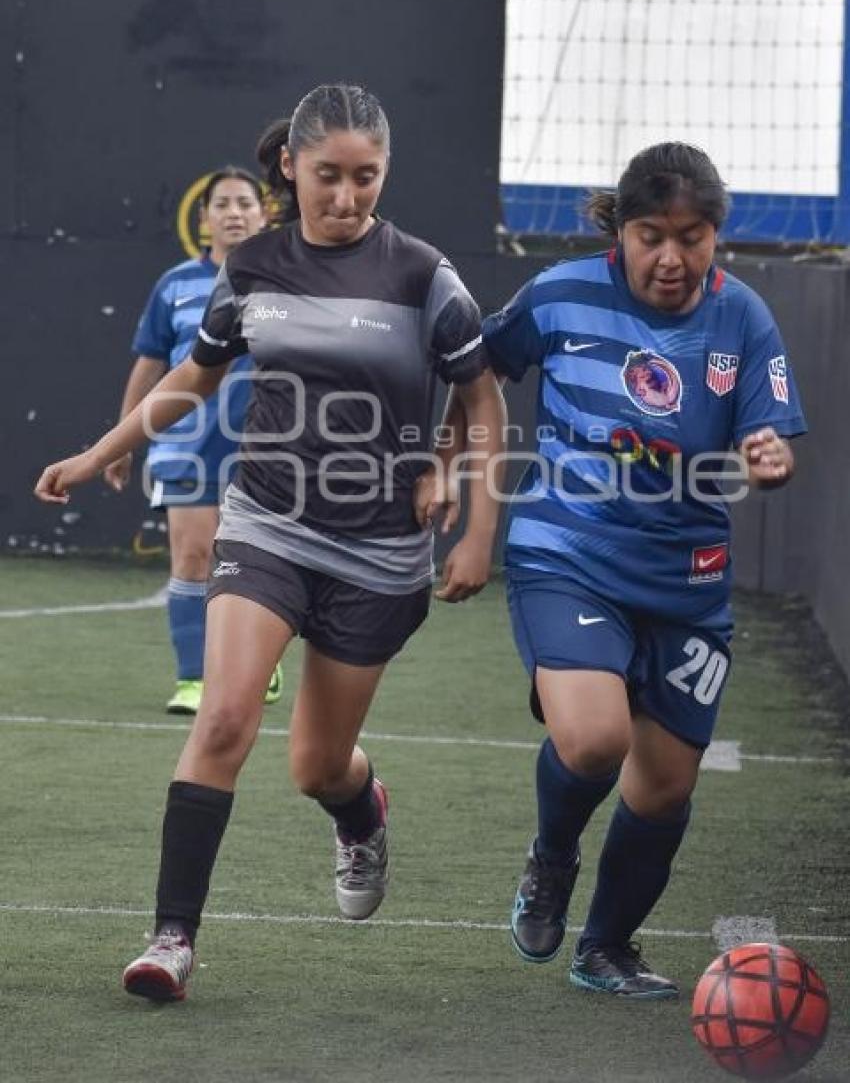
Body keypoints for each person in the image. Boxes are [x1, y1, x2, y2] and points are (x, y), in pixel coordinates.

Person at [35, 83, 505, 1002]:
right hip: (267, 521)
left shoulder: (423, 275)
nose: (346, 197)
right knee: (222, 718)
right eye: (327, 175)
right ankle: (172, 938)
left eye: (366, 178)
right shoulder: (251, 266)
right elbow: (195, 377)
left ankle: (361, 808)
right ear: (289, 167)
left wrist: (474, 516)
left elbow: (480, 392)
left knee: (316, 764)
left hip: (379, 552)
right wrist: (102, 448)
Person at [464, 142, 804, 998]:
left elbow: (770, 443)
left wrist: (767, 460)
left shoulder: (745, 319)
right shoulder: (559, 292)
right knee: (593, 740)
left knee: (662, 787)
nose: (671, 256)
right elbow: (477, 373)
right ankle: (551, 855)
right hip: (566, 552)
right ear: (621, 229)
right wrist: (446, 469)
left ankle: (606, 947)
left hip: (688, 579)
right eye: (651, 233)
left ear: (716, 235)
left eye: (693, 236)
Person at [104, 166, 283, 715]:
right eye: (221, 204)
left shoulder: (285, 279)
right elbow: (152, 363)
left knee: (258, 567)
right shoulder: (175, 284)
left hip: (266, 450)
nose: (233, 213)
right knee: (192, 556)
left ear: (264, 213)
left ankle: (260, 659)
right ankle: (192, 679)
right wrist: (122, 439)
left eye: (244, 203)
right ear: (203, 219)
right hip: (184, 446)